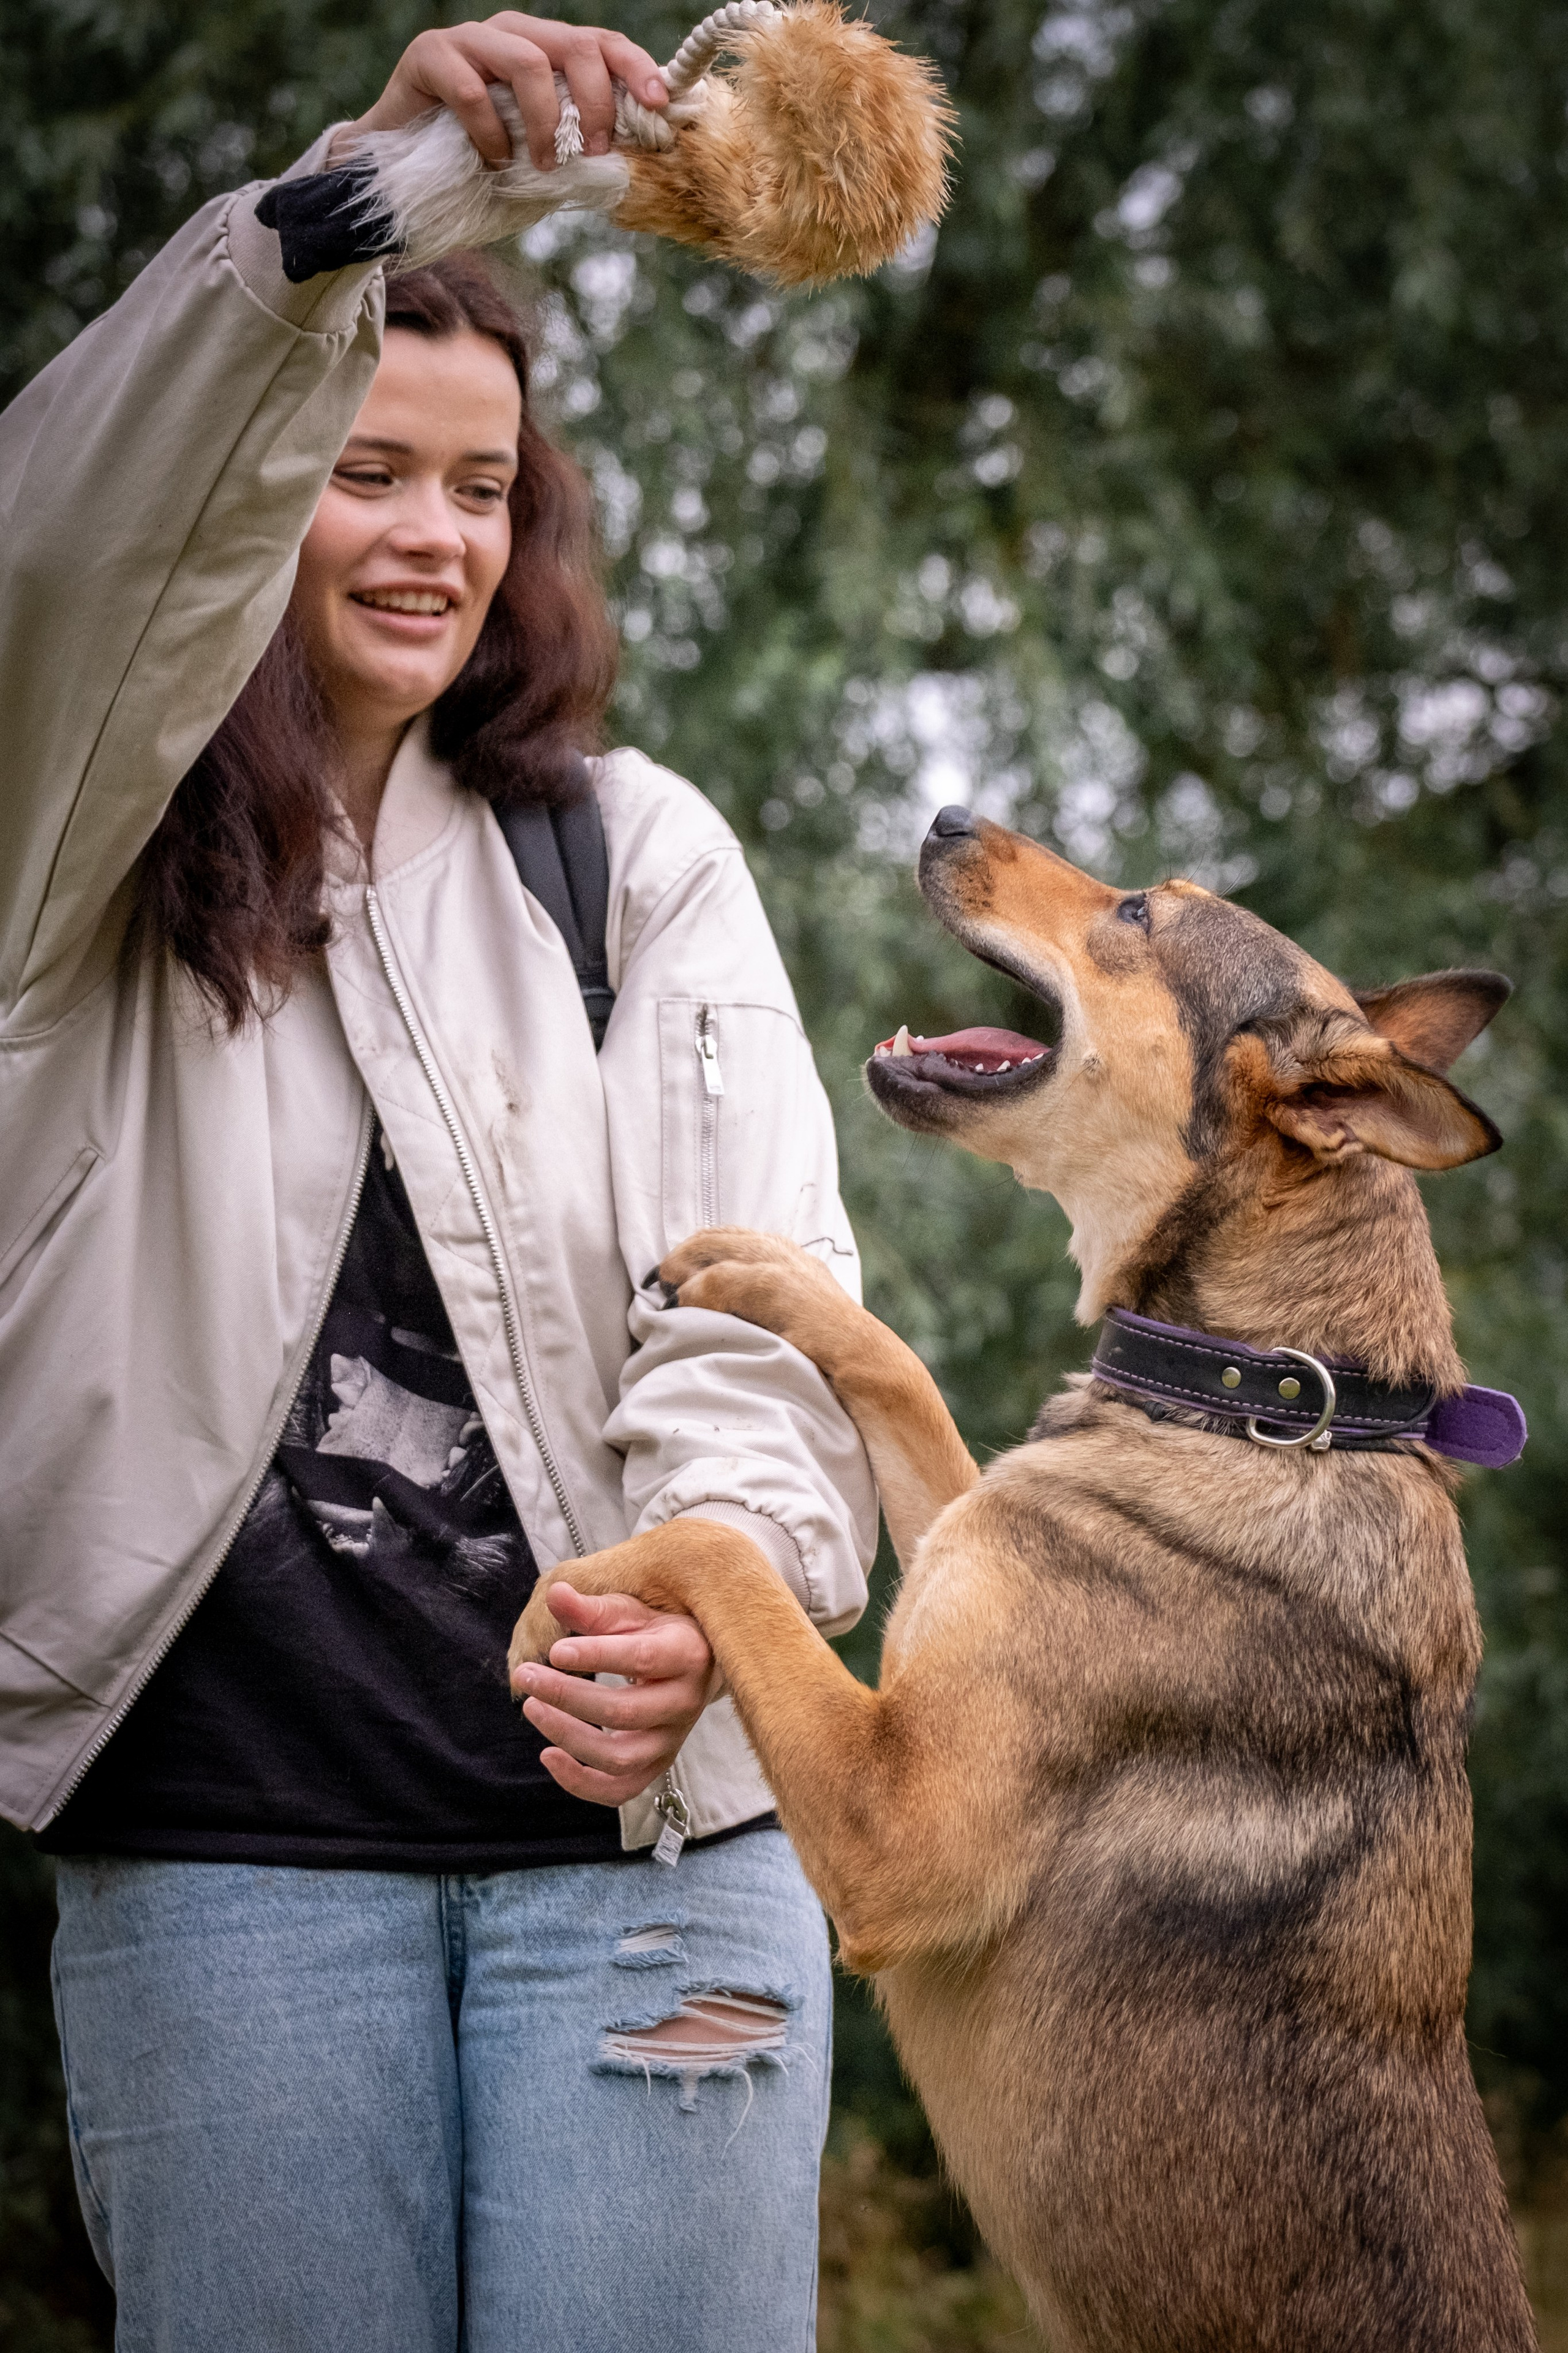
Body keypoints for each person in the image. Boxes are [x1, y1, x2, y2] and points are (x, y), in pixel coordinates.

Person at [0, 17, 876, 2350]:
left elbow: (767, 1300)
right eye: (365, 471)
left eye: (483, 488)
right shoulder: (67, 857)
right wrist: (366, 202)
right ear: (257, 480)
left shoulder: (634, 851)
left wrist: (719, 1597)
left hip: (659, 1863)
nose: (437, 539)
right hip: (226, 1865)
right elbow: (64, 547)